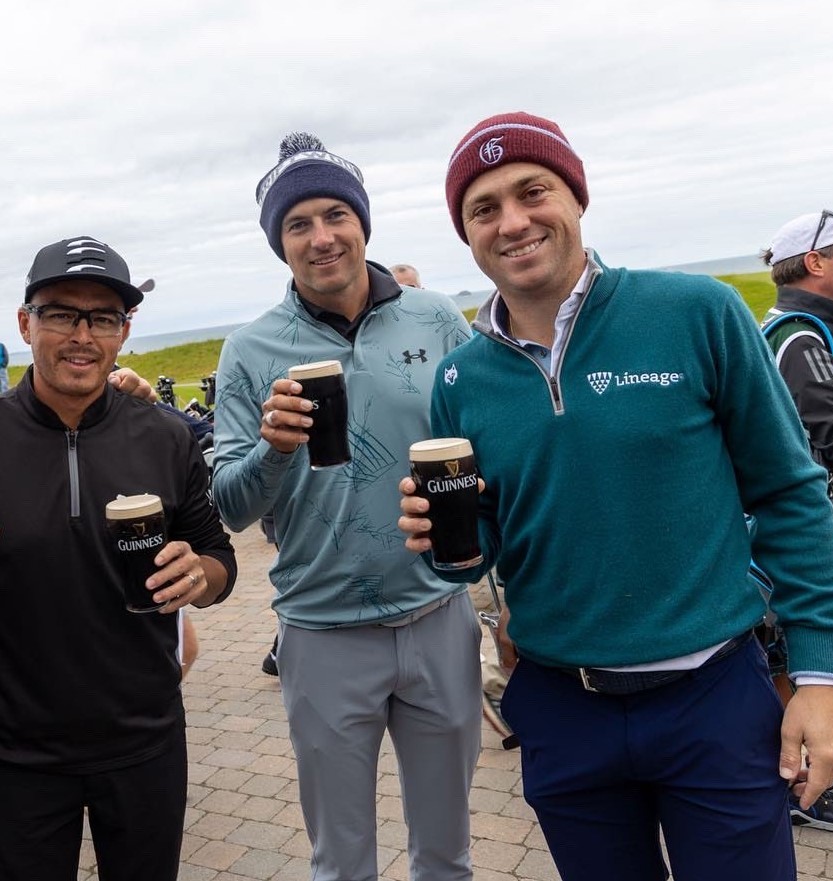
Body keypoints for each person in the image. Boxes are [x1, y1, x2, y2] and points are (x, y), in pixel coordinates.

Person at [398, 112, 833, 880]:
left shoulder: (695, 313)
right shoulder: (459, 378)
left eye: (531, 191)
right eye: (483, 209)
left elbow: (788, 491)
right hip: (561, 705)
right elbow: (485, 539)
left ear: (575, 197)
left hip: (712, 697)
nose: (512, 222)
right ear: (466, 233)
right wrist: (443, 546)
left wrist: (819, 675)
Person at [212, 132, 479, 881]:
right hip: (321, 630)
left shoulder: (436, 320)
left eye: (335, 214)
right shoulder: (250, 349)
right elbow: (231, 507)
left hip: (438, 616)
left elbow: (488, 450)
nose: (321, 236)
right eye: (298, 224)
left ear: (363, 221)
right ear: (279, 244)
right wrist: (271, 448)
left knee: (447, 857)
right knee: (341, 864)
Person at [0, 235, 237, 881]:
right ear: (26, 323)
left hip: (145, 739)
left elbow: (218, 557)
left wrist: (202, 575)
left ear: (124, 331)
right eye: (61, 313)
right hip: (15, 751)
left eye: (102, 317)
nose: (82, 334)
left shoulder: (164, 435)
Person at [760, 211, 833, 820]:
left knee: (785, 647)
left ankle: (814, 764)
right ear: (817, 262)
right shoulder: (803, 337)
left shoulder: (781, 326)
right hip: (824, 519)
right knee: (825, 652)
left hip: (788, 516)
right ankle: (807, 781)